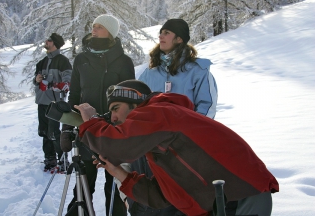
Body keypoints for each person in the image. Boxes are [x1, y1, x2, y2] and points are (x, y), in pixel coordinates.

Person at [74, 79, 279, 216]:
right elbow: (162, 196)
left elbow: (115, 146)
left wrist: (90, 121)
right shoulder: (161, 139)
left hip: (240, 197)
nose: (113, 118)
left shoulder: (159, 112)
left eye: (116, 109)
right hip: (225, 200)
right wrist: (118, 172)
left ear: (136, 104)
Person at [128, 18, 218, 215]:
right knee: (156, 195)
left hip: (185, 146)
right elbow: (138, 104)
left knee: (182, 196)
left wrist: (190, 135)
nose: (161, 35)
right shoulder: (150, 72)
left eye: (167, 32)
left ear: (179, 39)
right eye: (161, 31)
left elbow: (207, 106)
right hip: (153, 145)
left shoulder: (198, 71)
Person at [60, 14, 134, 216]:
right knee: (82, 191)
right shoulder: (81, 59)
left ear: (110, 32)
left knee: (116, 192)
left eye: (99, 26)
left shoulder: (124, 61)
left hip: (114, 134)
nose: (94, 29)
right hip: (86, 132)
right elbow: (74, 95)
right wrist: (66, 128)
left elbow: (130, 102)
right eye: (93, 25)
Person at [33, 33, 72, 172]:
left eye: (49, 40)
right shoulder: (42, 62)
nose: (46, 42)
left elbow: (67, 82)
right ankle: (50, 159)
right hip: (42, 102)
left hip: (55, 103)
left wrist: (51, 85)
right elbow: (35, 81)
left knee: (54, 133)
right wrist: (37, 80)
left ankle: (63, 161)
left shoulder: (63, 61)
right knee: (44, 132)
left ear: (55, 43)